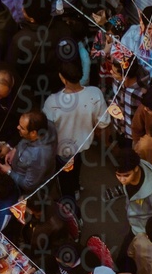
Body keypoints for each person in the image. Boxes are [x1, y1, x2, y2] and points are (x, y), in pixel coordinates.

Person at [43, 60, 110, 197]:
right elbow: (103, 123)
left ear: (63, 78)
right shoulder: (95, 93)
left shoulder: (52, 101)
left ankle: (69, 198)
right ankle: (76, 188)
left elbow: (45, 130)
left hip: (61, 149)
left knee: (64, 175)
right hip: (82, 145)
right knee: (77, 163)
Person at [113, 146, 152, 241]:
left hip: (146, 234)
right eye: (118, 175)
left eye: (126, 175)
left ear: (136, 169)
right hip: (135, 225)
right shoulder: (131, 172)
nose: (122, 180)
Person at [0, 109, 58, 196]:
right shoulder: (46, 125)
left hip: (28, 187)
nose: (18, 127)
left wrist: (9, 172)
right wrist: (15, 149)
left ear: (33, 133)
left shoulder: (39, 157)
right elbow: (26, 139)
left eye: (22, 128)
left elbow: (28, 184)